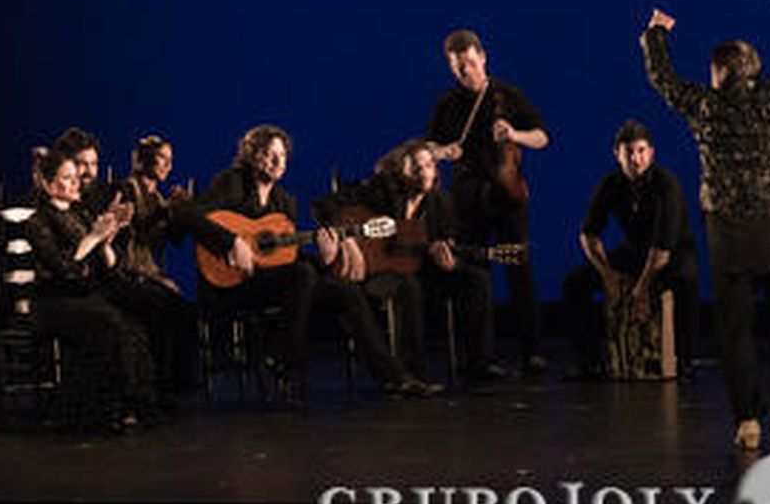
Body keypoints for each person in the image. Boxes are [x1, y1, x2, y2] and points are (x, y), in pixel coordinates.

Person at [642, 0, 770, 449]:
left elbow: (663, 79)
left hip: (730, 235)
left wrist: (655, 34)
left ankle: (748, 419)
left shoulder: (705, 107)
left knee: (735, 329)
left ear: (721, 72)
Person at [192, 125, 442, 398]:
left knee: (343, 289)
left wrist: (328, 257)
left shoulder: (285, 202)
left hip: (276, 283)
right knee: (301, 274)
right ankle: (286, 360)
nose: (278, 162)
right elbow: (190, 216)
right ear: (252, 156)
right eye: (269, 154)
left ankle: (395, 377)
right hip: (230, 284)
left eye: (283, 155)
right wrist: (232, 242)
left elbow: (285, 254)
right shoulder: (232, 183)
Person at [315, 139, 503, 382]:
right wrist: (347, 240)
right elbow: (324, 205)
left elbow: (448, 240)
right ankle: (410, 375)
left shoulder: (440, 201)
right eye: (416, 167)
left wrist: (450, 261)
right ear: (400, 171)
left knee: (476, 279)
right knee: (407, 286)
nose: (423, 172)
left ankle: (480, 364)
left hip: (420, 267)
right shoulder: (379, 190)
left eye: (428, 166)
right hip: (378, 272)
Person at [427, 29, 551, 374]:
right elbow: (428, 148)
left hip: (508, 195)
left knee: (520, 272)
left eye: (469, 63)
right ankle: (481, 358)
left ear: (483, 57)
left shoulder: (507, 95)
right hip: (467, 197)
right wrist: (442, 152)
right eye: (457, 67)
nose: (465, 72)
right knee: (476, 277)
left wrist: (514, 135)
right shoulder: (447, 105)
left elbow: (542, 137)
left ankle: (532, 352)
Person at [26, 148, 156, 431]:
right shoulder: (38, 222)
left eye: (75, 178)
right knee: (109, 325)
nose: (75, 183)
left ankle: (134, 404)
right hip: (54, 300)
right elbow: (63, 267)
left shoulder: (81, 214)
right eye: (67, 178)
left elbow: (106, 267)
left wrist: (108, 239)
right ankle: (104, 409)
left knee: (132, 325)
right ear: (49, 184)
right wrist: (93, 237)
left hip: (84, 295)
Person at [560, 121, 700, 381]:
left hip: (671, 253)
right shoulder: (611, 183)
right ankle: (591, 360)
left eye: (641, 151)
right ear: (617, 154)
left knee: (686, 281)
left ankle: (685, 361)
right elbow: (588, 234)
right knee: (574, 283)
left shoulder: (666, 184)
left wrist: (642, 288)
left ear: (651, 153)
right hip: (636, 250)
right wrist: (608, 276)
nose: (635, 159)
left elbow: (663, 247)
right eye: (629, 152)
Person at [105, 135, 199, 398]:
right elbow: (133, 233)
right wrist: (164, 211)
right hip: (127, 272)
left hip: (151, 273)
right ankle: (160, 387)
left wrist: (182, 212)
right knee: (163, 308)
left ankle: (180, 386)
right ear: (143, 160)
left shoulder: (157, 197)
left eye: (171, 160)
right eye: (162, 158)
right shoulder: (125, 190)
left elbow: (174, 239)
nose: (168, 165)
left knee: (185, 310)